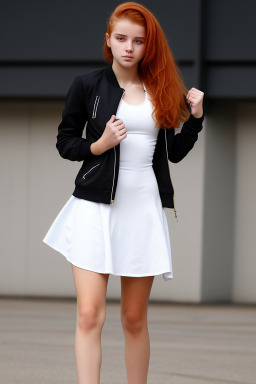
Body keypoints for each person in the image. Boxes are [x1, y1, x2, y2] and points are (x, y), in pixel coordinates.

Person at [43, 2, 204, 383]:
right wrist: (97, 146)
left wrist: (196, 121)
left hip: (141, 208)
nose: (129, 47)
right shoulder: (87, 85)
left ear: (149, 46)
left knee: (133, 318)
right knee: (89, 314)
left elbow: (173, 153)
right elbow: (65, 142)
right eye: (121, 39)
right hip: (93, 208)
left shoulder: (160, 90)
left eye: (138, 41)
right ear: (108, 42)